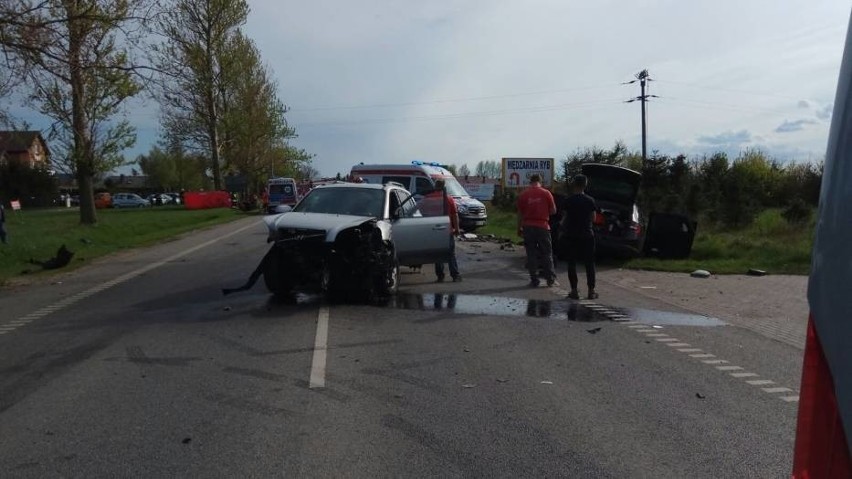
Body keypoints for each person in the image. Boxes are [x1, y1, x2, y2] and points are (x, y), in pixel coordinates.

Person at [561, 174, 598, 300]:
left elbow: (564, 218)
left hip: (571, 235)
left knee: (571, 263)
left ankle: (574, 290)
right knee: (589, 263)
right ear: (585, 185)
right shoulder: (590, 200)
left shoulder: (568, 200)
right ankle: (591, 290)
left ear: (574, 184)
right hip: (587, 235)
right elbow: (594, 218)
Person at [517, 174, 557, 287]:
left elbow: (520, 214)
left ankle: (534, 279)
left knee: (531, 253)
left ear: (530, 181)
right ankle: (550, 278)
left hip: (528, 226)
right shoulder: (546, 193)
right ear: (540, 181)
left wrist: (519, 228)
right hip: (543, 226)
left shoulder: (523, 194)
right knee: (547, 253)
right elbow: (553, 211)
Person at [420, 180, 462, 282]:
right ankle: (455, 275)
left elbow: (421, 212)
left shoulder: (427, 198)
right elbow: (454, 215)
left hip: (433, 230)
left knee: (438, 254)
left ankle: (440, 275)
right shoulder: (449, 199)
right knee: (450, 253)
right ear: (444, 187)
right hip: (446, 230)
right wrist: (456, 229)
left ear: (435, 186)